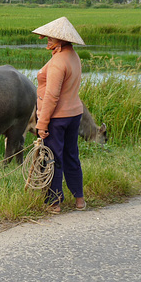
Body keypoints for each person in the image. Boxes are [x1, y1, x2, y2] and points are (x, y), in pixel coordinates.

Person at [32, 17, 86, 213]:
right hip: (74, 114)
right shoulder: (73, 56)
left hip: (57, 118)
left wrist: (42, 123)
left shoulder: (58, 62)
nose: (47, 39)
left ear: (62, 40)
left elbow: (52, 96)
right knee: (72, 155)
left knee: (52, 157)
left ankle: (54, 203)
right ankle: (79, 200)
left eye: (52, 37)